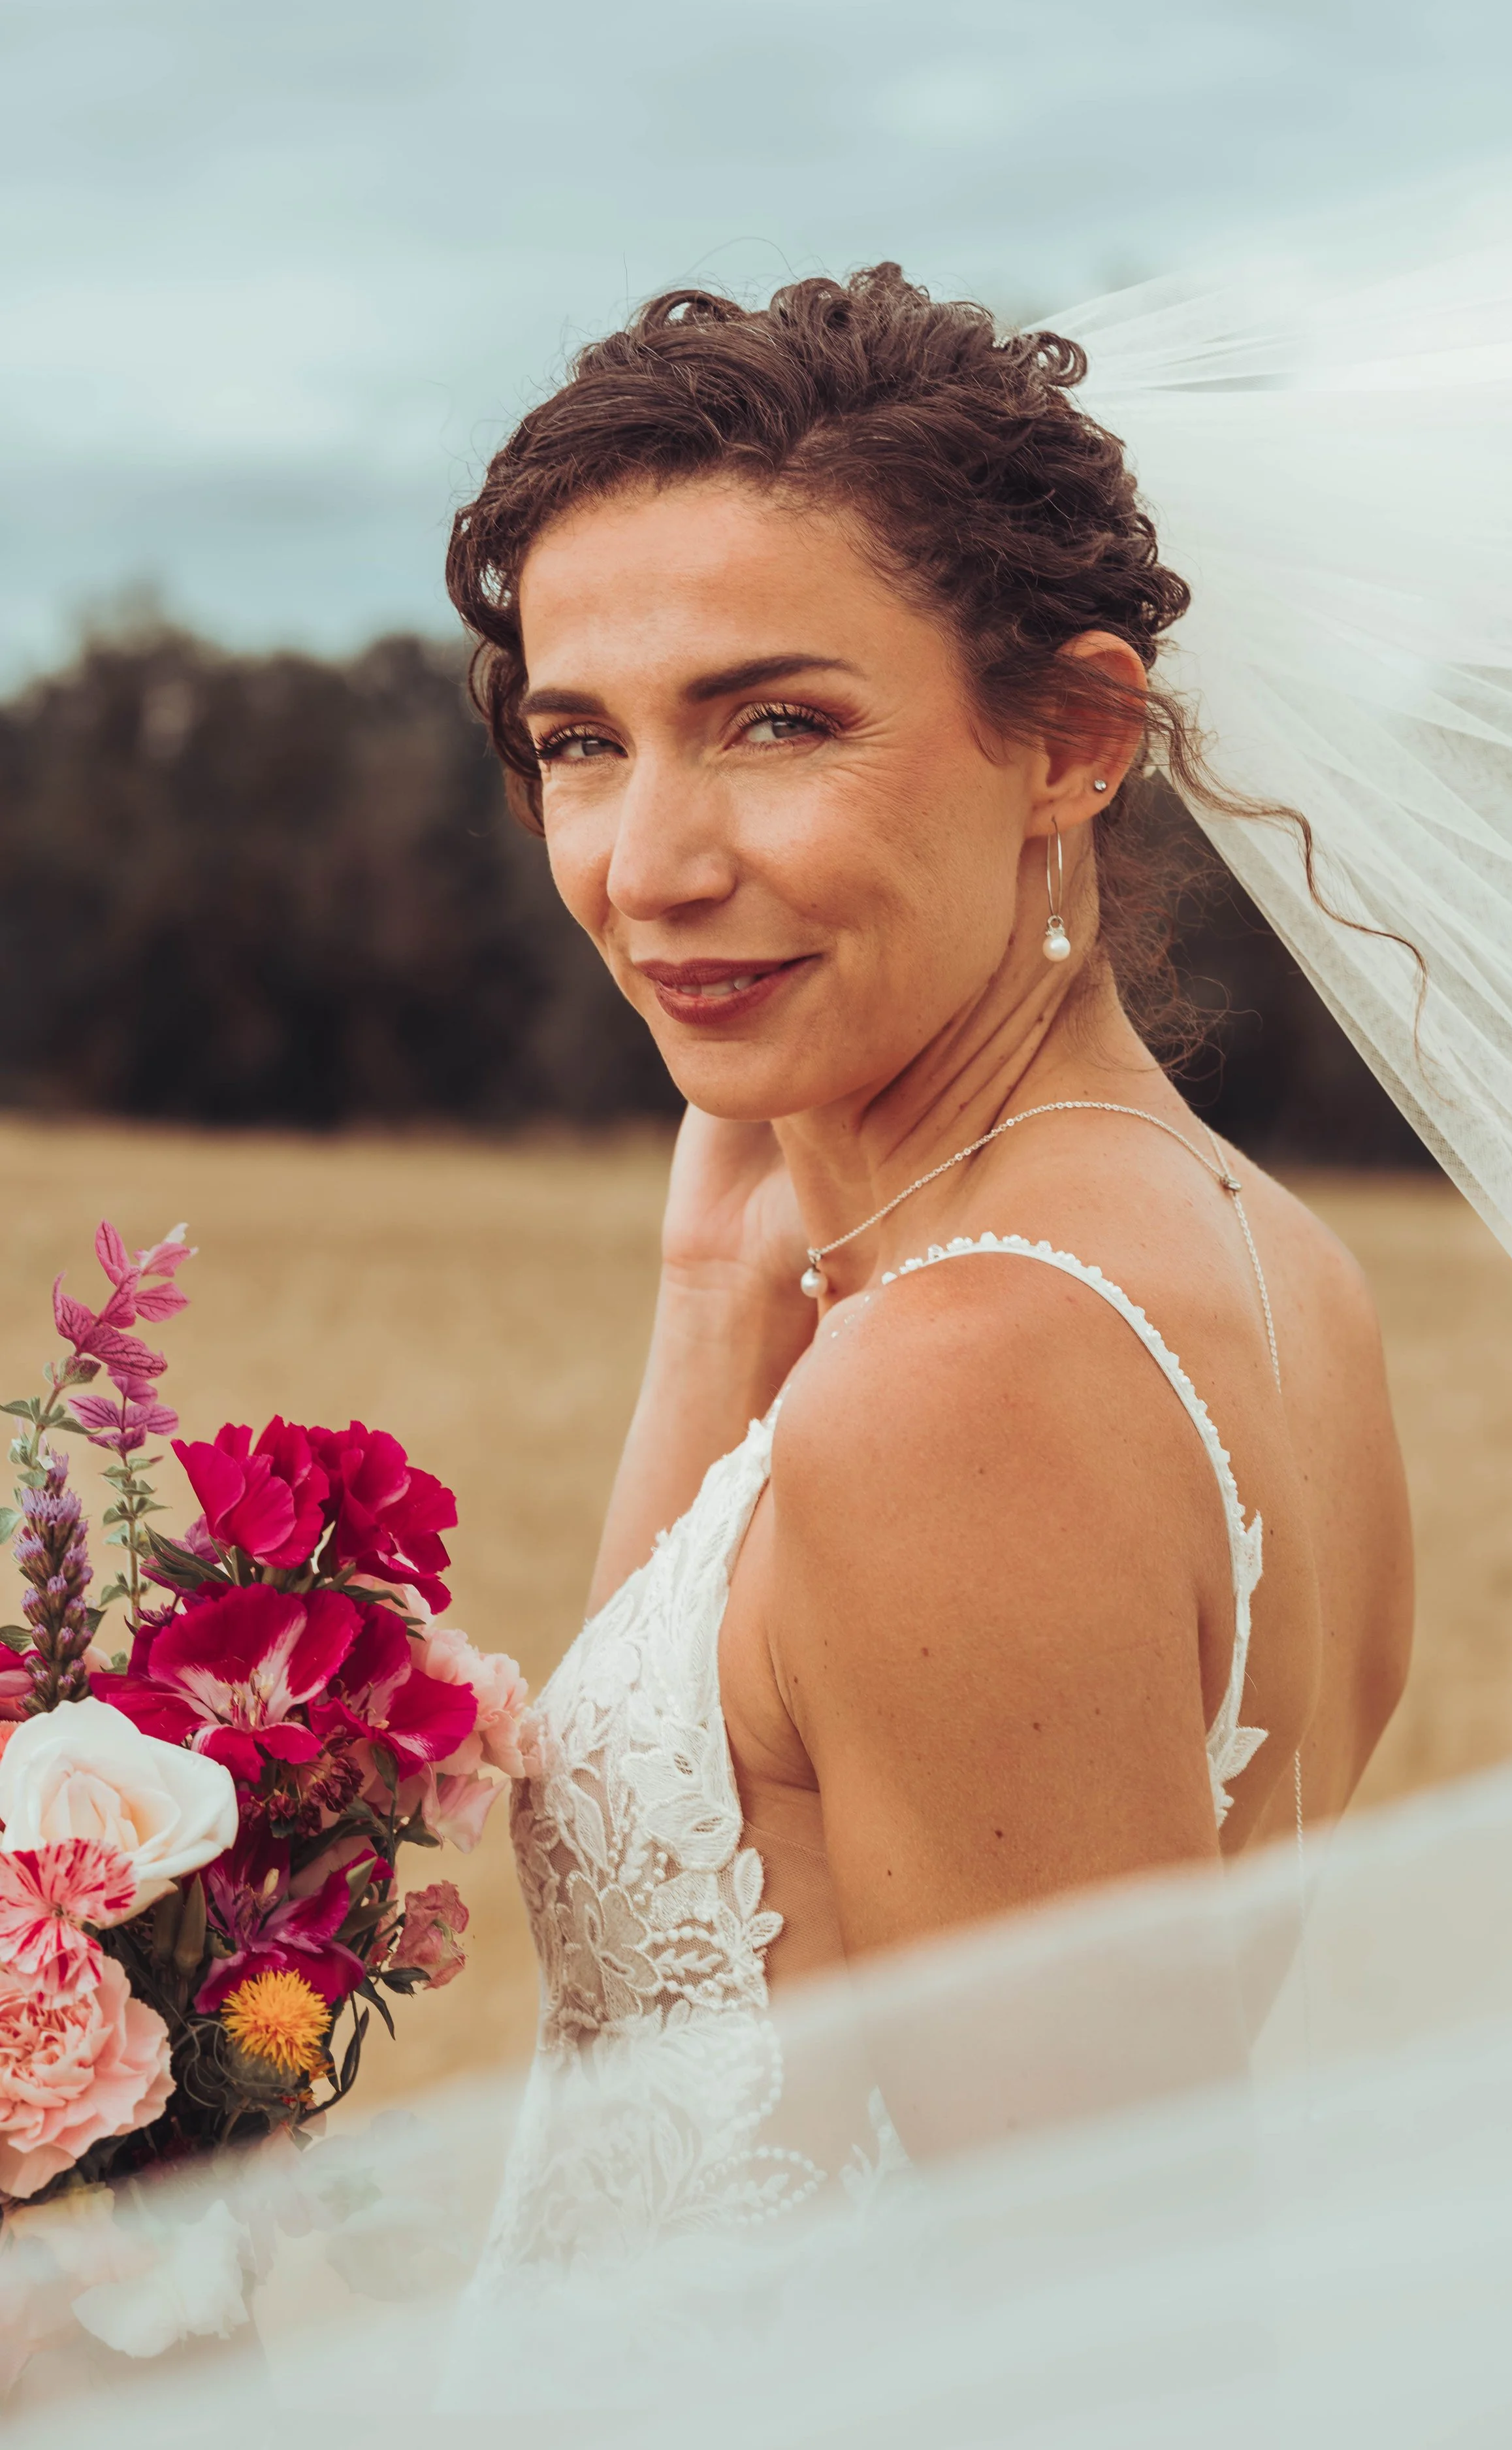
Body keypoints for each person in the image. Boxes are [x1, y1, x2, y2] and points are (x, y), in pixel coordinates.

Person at [444, 266, 1415, 2253]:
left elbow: (1095, 2316)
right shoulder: (1262, 1251)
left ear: (1067, 739)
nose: (647, 864)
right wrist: (714, 1291)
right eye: (583, 742)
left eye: (775, 721)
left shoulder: (962, 1373)